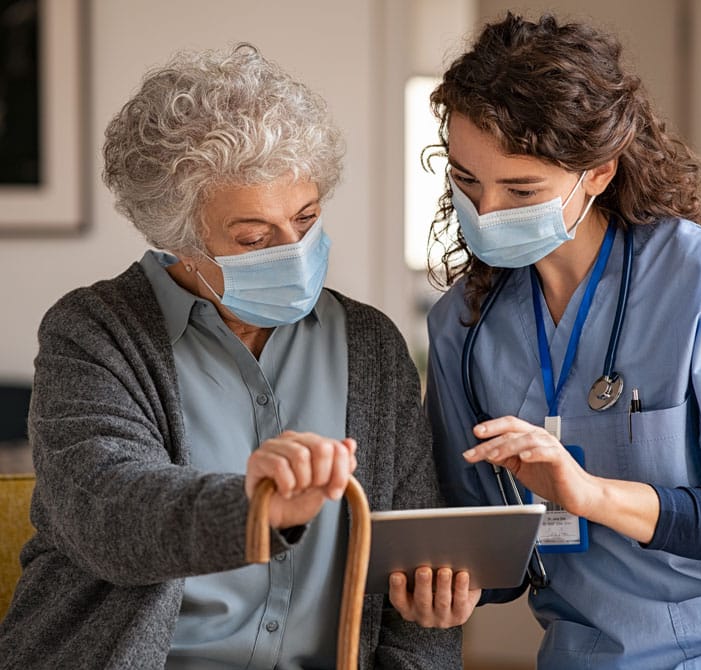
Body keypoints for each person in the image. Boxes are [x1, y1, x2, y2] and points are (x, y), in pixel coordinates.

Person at [0, 44, 464, 669]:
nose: (294, 251)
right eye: (253, 237)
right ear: (178, 239)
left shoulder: (371, 344)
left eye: (305, 219)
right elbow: (106, 511)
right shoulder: (94, 332)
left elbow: (411, 562)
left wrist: (433, 606)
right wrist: (257, 509)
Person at [424, 12, 701, 670]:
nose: (485, 212)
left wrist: (590, 493)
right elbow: (499, 559)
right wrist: (449, 590)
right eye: (465, 181)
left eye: (521, 189)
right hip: (591, 652)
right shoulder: (466, 323)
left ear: (597, 173)